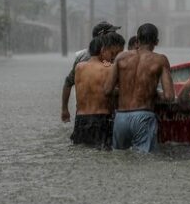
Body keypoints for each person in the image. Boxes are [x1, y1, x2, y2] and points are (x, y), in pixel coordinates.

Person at [104, 23, 175, 153]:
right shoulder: (160, 60)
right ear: (157, 41)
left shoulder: (120, 57)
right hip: (143, 117)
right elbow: (169, 96)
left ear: (137, 40)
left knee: (119, 159)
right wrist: (154, 93)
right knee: (144, 163)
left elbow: (107, 90)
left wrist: (126, 91)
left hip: (120, 118)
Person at [71, 32, 126, 148]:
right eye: (111, 53)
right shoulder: (109, 68)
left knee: (83, 153)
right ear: (102, 50)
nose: (112, 57)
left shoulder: (79, 67)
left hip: (80, 120)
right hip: (101, 119)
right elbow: (120, 89)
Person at [61, 21, 120, 123]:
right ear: (101, 35)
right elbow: (69, 83)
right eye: (112, 33)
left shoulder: (111, 54)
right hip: (95, 115)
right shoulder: (86, 57)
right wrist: (64, 109)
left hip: (97, 115)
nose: (115, 36)